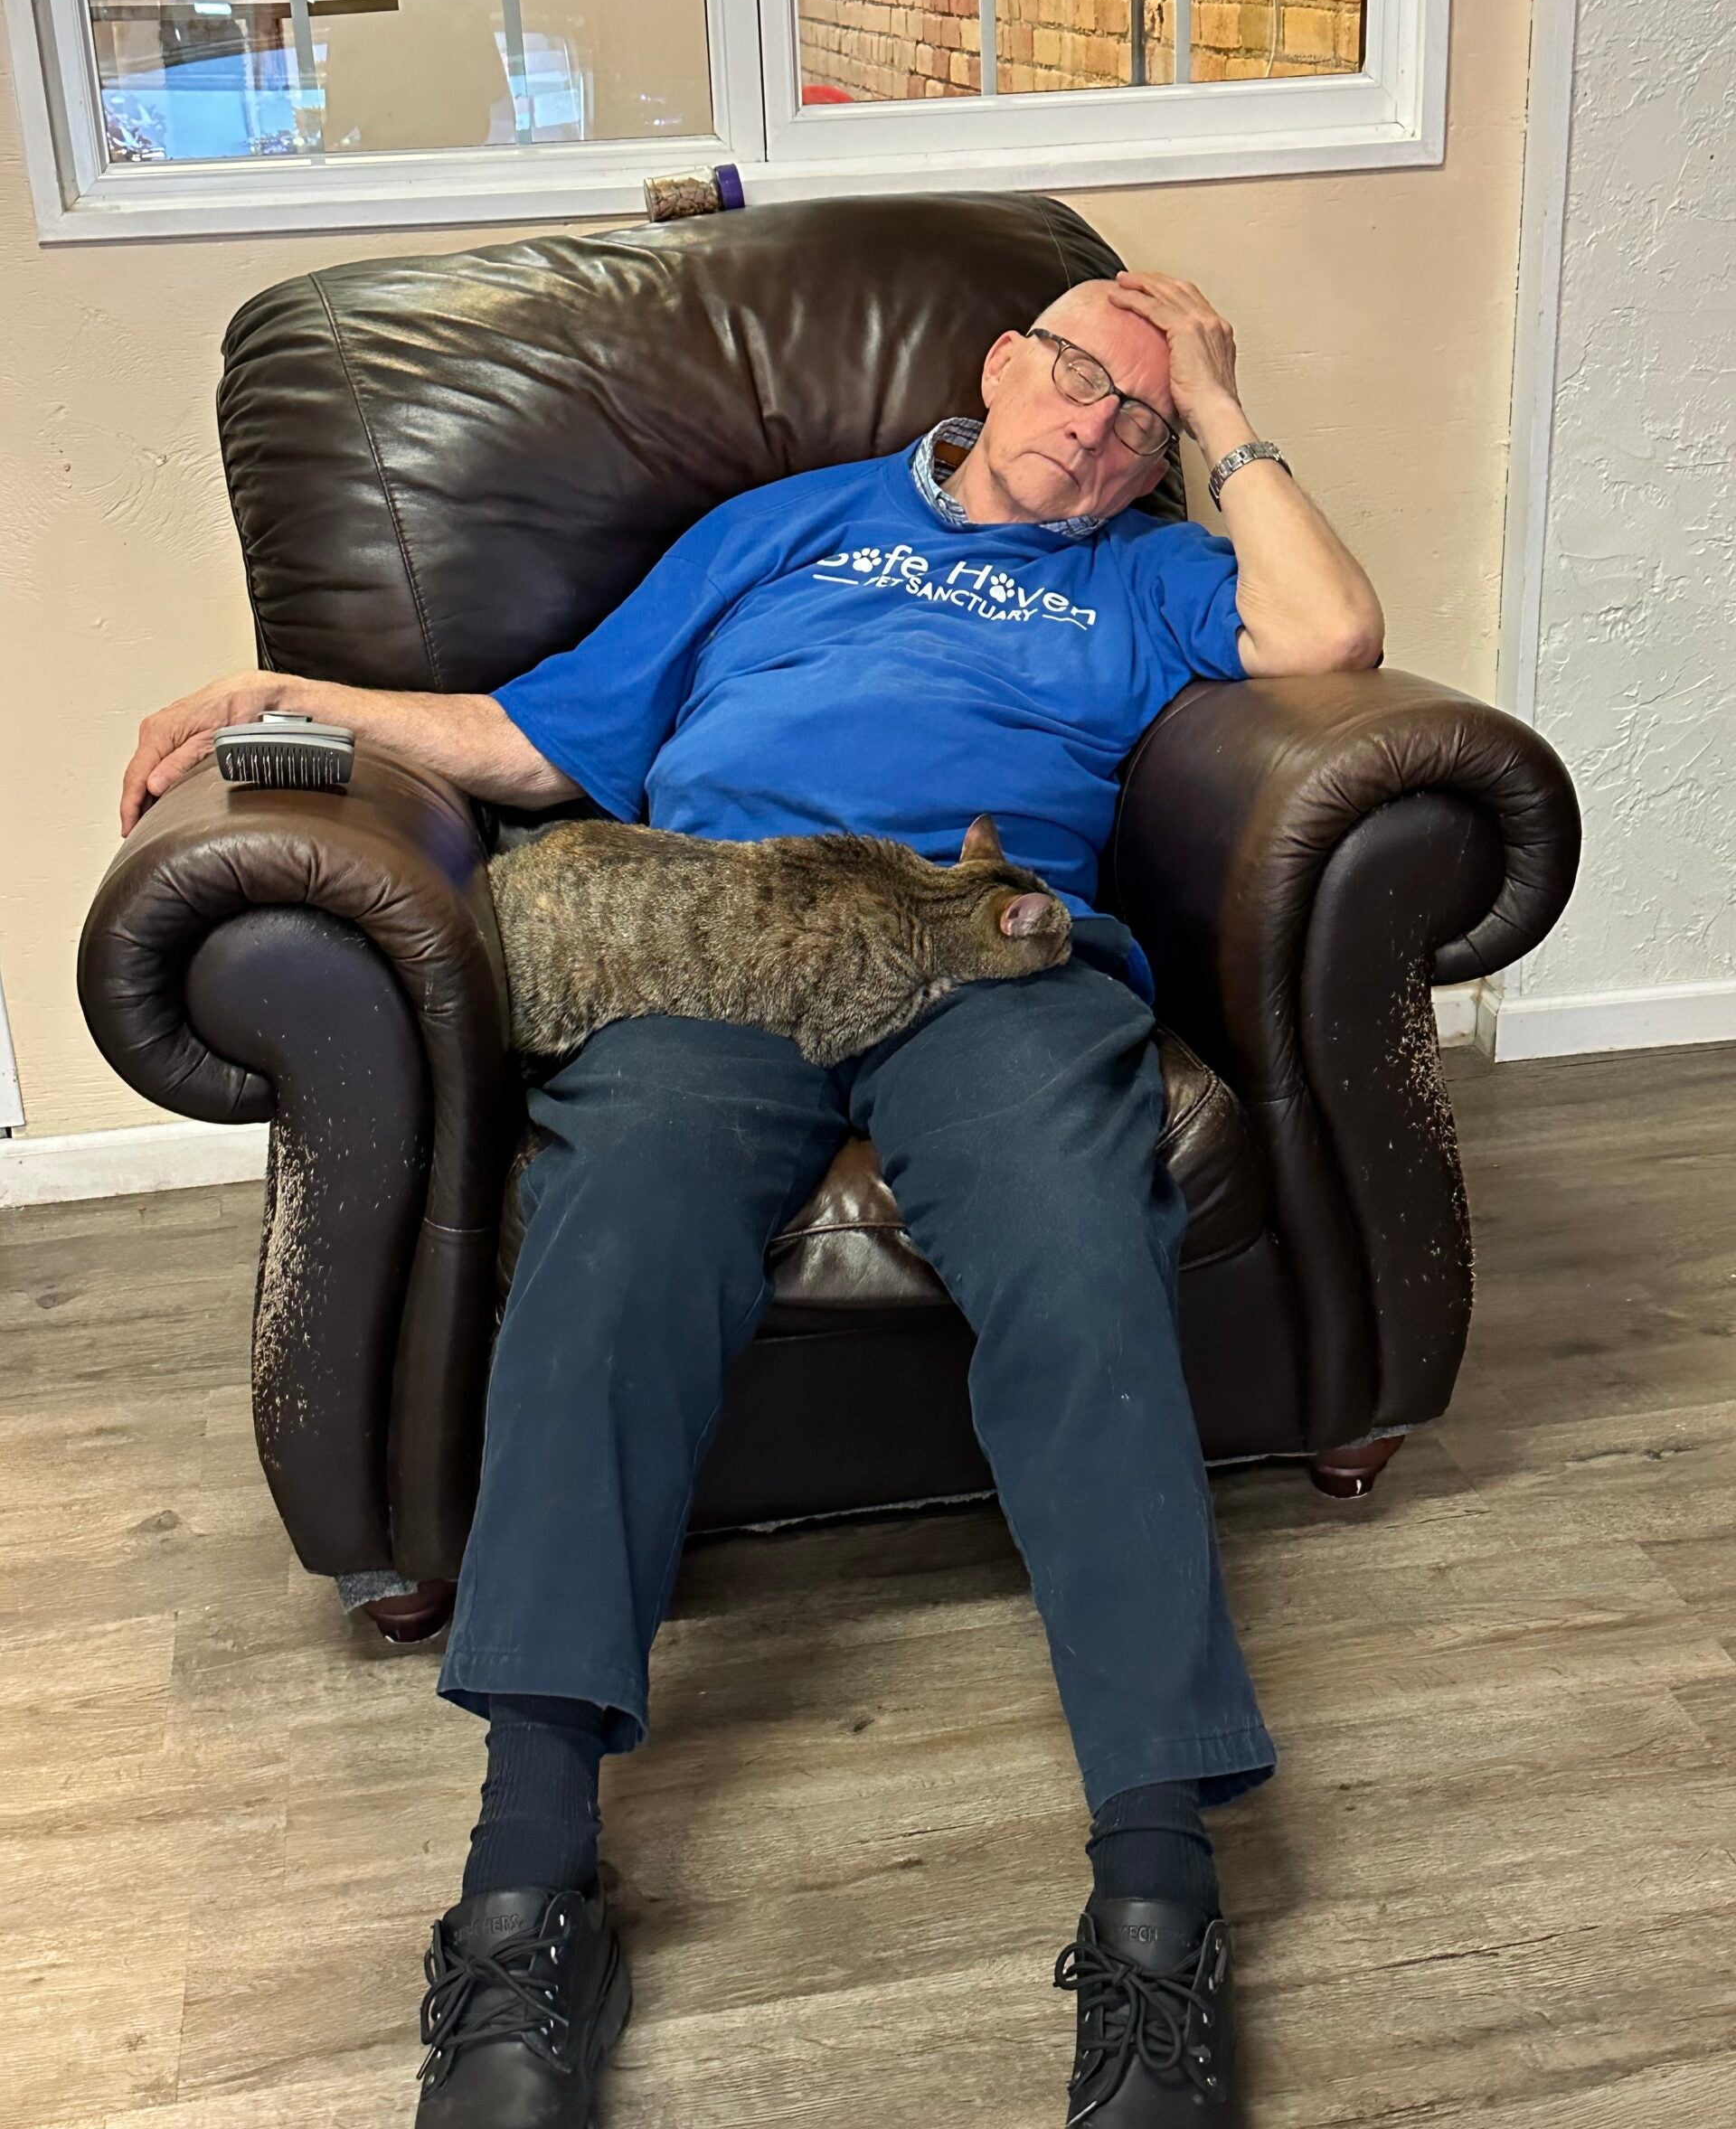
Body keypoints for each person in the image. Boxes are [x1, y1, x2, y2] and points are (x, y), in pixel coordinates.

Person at [121, 271, 1384, 2126]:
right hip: (713, 939)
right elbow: (537, 739)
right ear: (991, 364)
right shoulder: (787, 523)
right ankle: (529, 1882)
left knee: (1085, 1264)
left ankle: (1161, 1893)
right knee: (615, 1239)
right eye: (1075, 378)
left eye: (1143, 414)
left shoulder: (1155, 573)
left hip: (983, 953)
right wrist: (277, 693)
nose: (1098, 429)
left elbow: (1333, 634)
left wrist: (1218, 395)